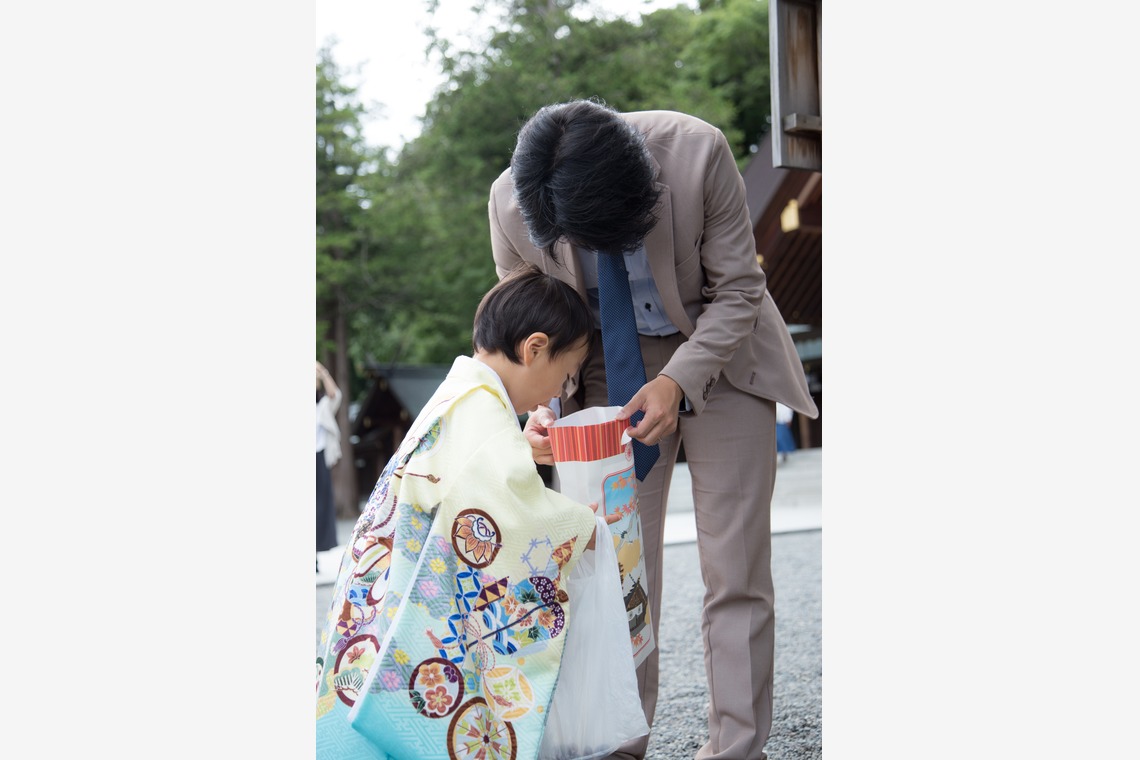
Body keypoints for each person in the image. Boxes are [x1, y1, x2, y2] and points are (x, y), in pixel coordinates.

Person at [488, 99, 819, 760]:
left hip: (721, 355)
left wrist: (676, 381)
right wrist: (537, 409)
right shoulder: (509, 203)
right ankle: (620, 743)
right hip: (605, 370)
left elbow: (739, 287)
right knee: (614, 571)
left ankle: (736, 746)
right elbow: (528, 326)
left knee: (735, 567)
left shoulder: (697, 152)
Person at [314, 262, 622, 760]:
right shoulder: (481, 412)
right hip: (415, 600)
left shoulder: (464, 396)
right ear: (535, 348)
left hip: (386, 586)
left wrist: (516, 447)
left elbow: (474, 482)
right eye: (564, 377)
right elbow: (505, 511)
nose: (556, 394)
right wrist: (581, 528)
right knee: (428, 698)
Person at [316, 359, 342, 571]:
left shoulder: (323, 407)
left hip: (319, 459)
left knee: (320, 508)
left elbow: (335, 395)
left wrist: (322, 372)